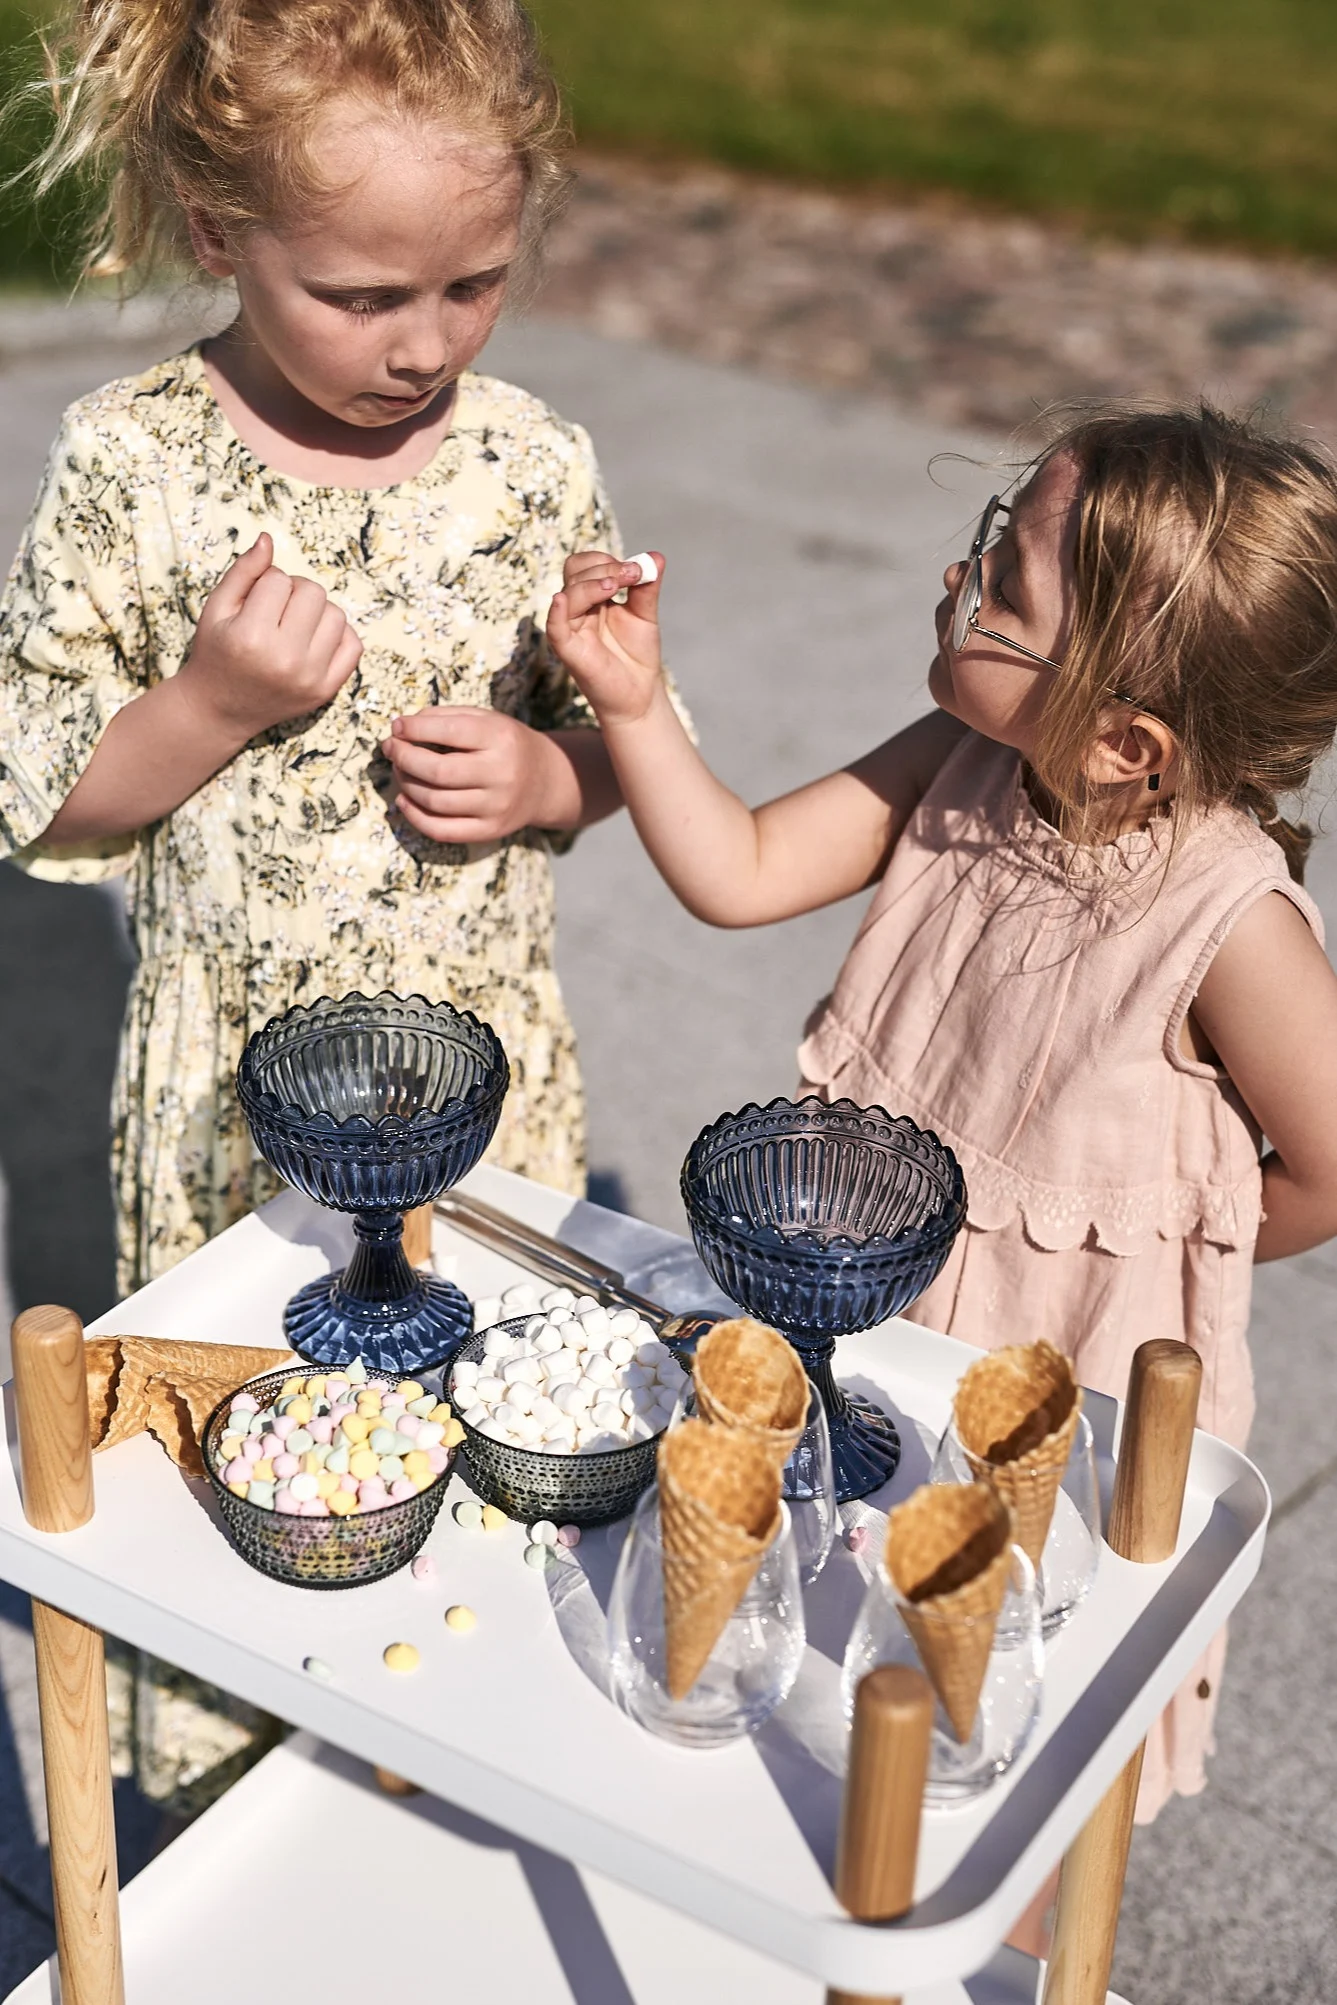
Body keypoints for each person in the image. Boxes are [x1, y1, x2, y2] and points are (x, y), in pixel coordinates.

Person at [0, 0, 683, 1812]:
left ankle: (461, 1759)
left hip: (487, 1086)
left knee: (477, 1462)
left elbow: (623, 750)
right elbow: (45, 793)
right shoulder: (136, 460)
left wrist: (553, 777)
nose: (423, 343)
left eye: (473, 283)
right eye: (365, 298)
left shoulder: (532, 461)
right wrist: (209, 705)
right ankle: (262, 1775)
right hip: (239, 1108)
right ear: (225, 240)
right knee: (265, 1465)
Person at [548, 403, 1337, 1839]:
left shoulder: (1231, 925)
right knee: (822, 1678)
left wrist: (1154, 1248)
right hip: (859, 1339)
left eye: (1005, 584)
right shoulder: (959, 763)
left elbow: (1330, 1165)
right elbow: (737, 867)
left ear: (1123, 742)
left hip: (1051, 1400)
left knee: (1006, 1746)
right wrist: (632, 698)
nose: (962, 577)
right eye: (991, 539)